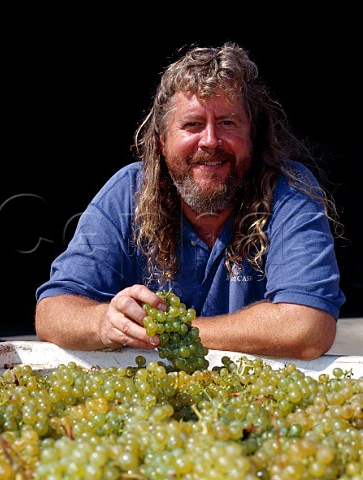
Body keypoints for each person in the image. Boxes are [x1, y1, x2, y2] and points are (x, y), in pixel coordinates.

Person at [35, 42, 345, 360]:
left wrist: (174, 331)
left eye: (227, 123)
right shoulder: (128, 192)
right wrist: (104, 323)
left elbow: (307, 329)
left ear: (253, 135)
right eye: (192, 125)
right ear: (162, 140)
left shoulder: (289, 190)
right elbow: (52, 311)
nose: (210, 141)